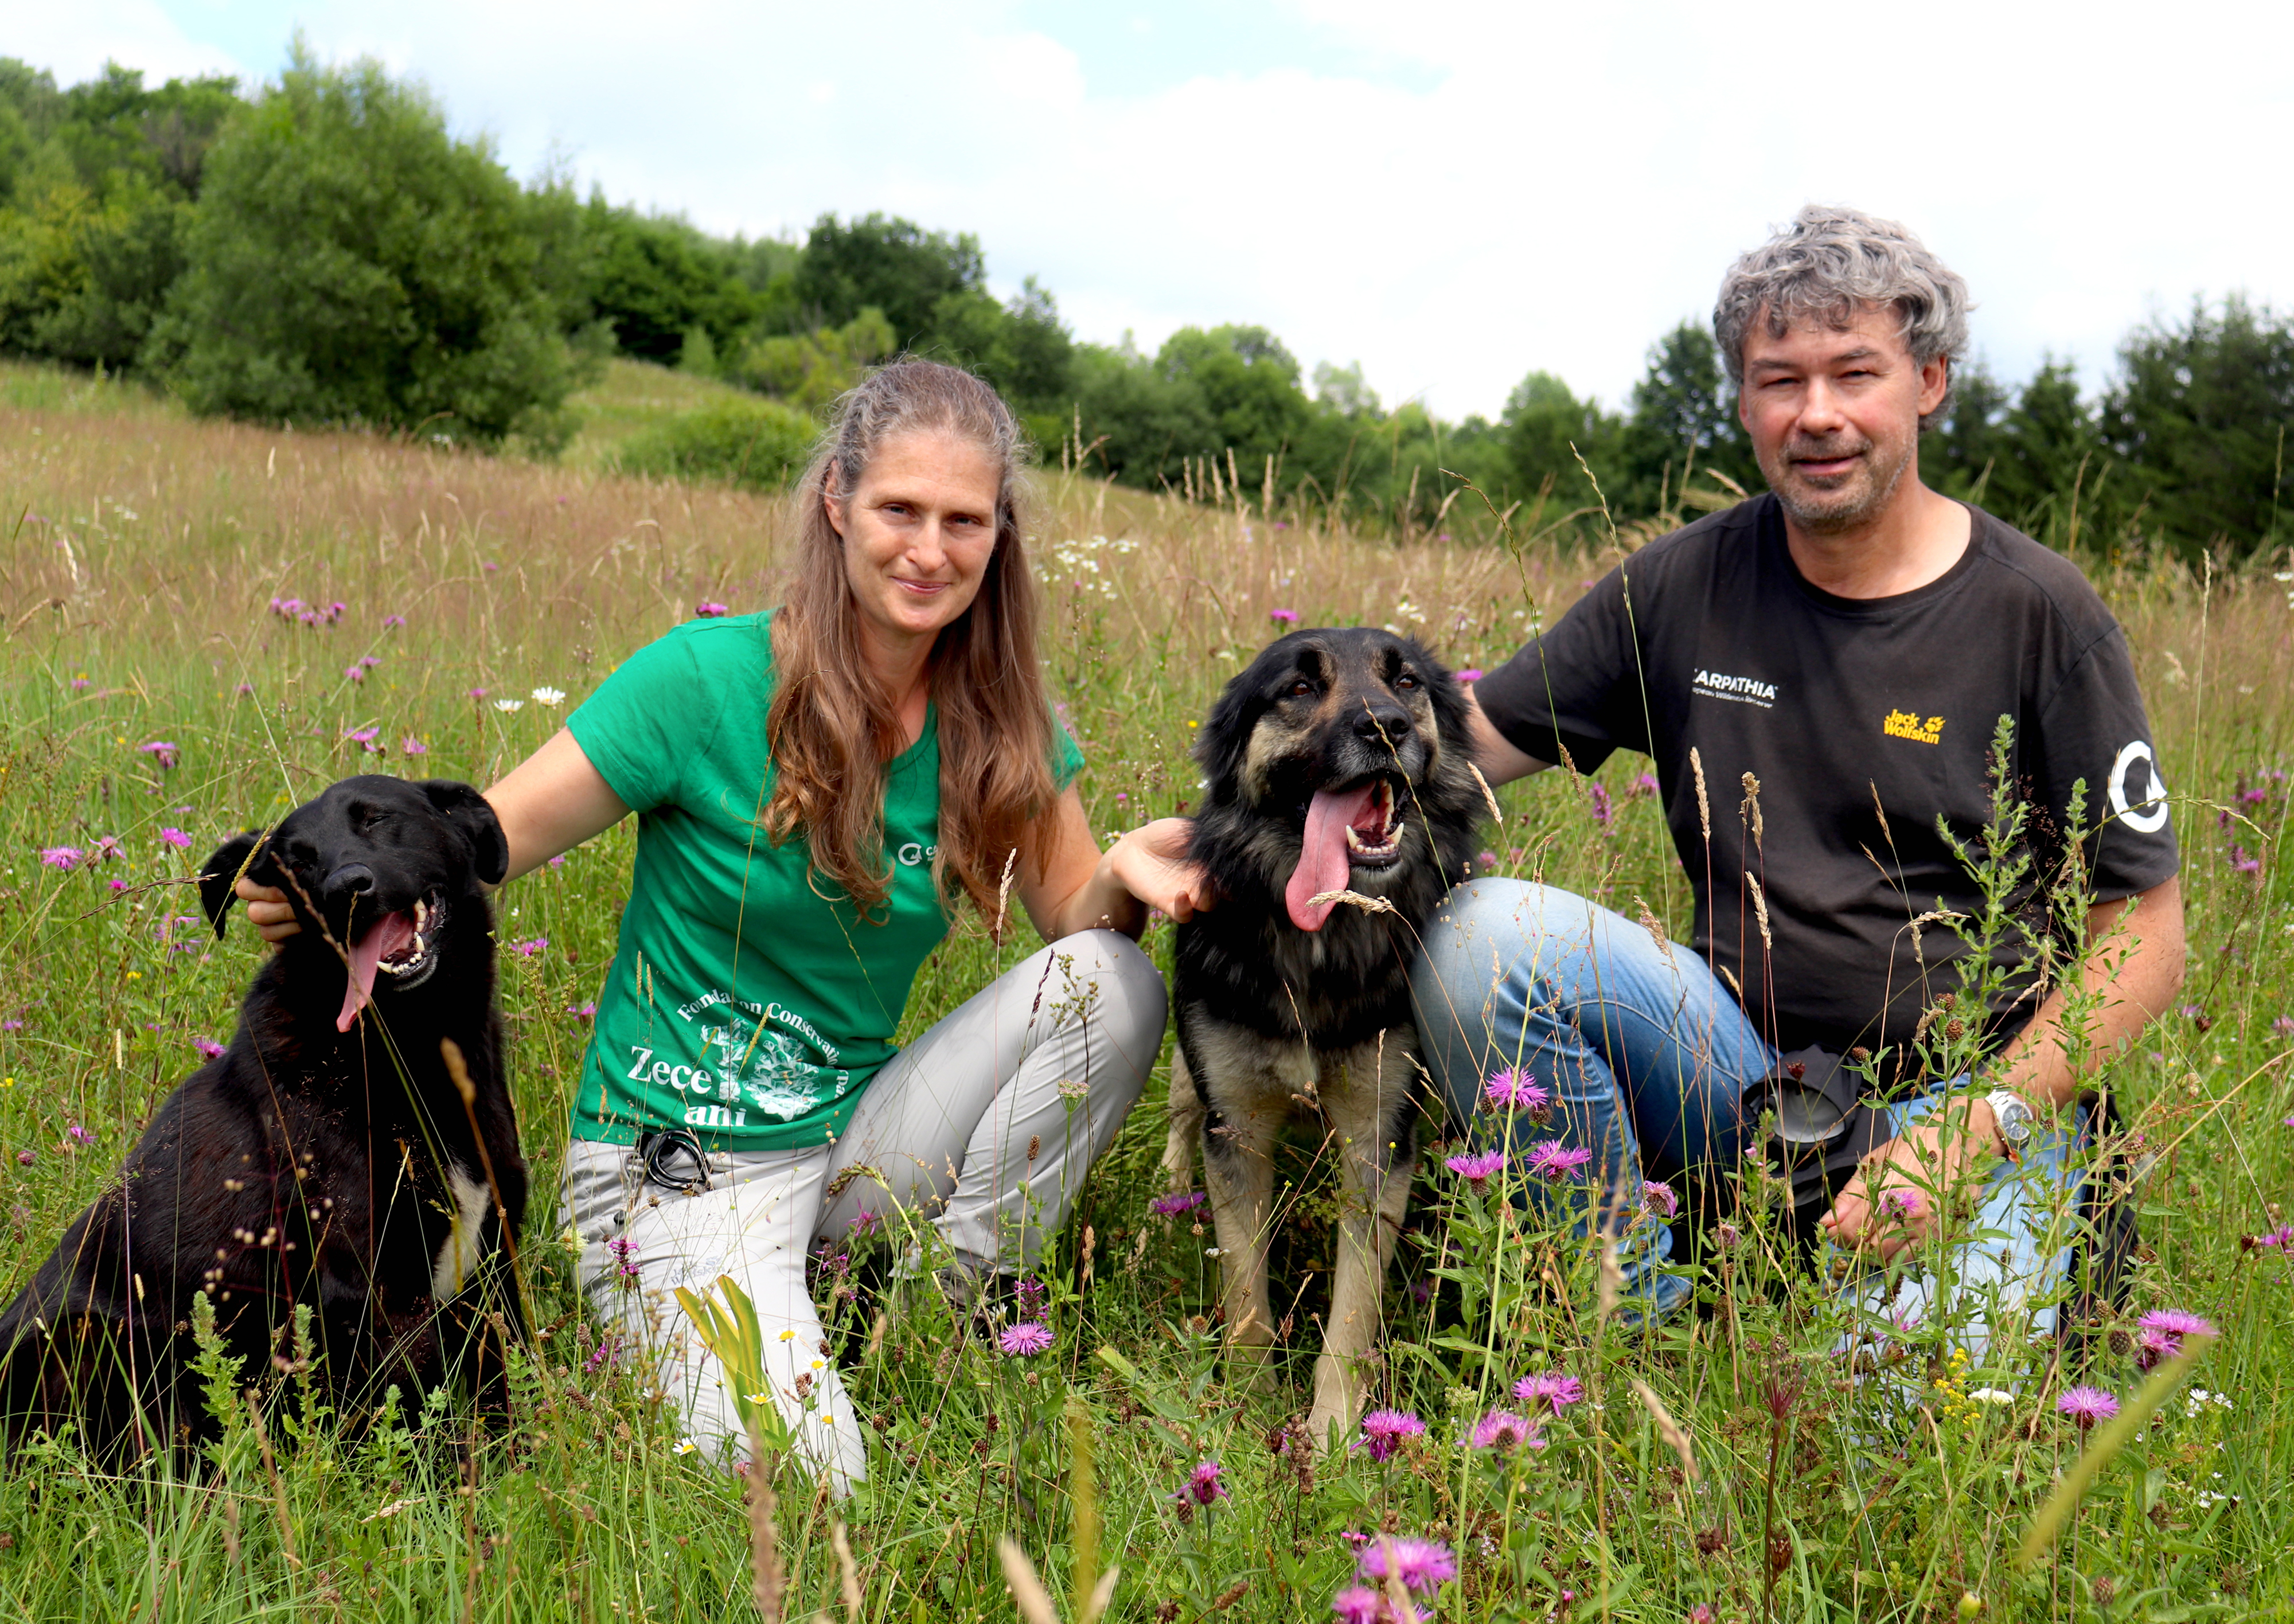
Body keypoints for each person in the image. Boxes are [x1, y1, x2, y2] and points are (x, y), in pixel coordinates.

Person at [239, 360, 1211, 1490]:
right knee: (815, 1488)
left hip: (853, 1147)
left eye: (963, 521)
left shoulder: (999, 720)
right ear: (836, 503)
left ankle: (937, 1312)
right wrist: (337, 876)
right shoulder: (703, 680)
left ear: (999, 536)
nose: (928, 550)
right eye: (899, 509)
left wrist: (1128, 875)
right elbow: (484, 841)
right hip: (677, 1169)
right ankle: (746, 1329)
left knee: (1115, 981)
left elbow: (1071, 928)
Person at [1411, 206, 2184, 1345]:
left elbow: (2145, 935)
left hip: (1963, 1093)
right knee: (1480, 939)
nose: (1814, 415)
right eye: (1778, 380)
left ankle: (1992, 1244)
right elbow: (1459, 746)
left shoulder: (2037, 614)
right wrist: (1228, 825)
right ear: (1741, 403)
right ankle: (1625, 1324)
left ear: (1926, 382)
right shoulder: (1682, 583)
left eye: (1852, 373)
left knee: (1900, 1441)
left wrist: (1980, 1125)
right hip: (1726, 1066)